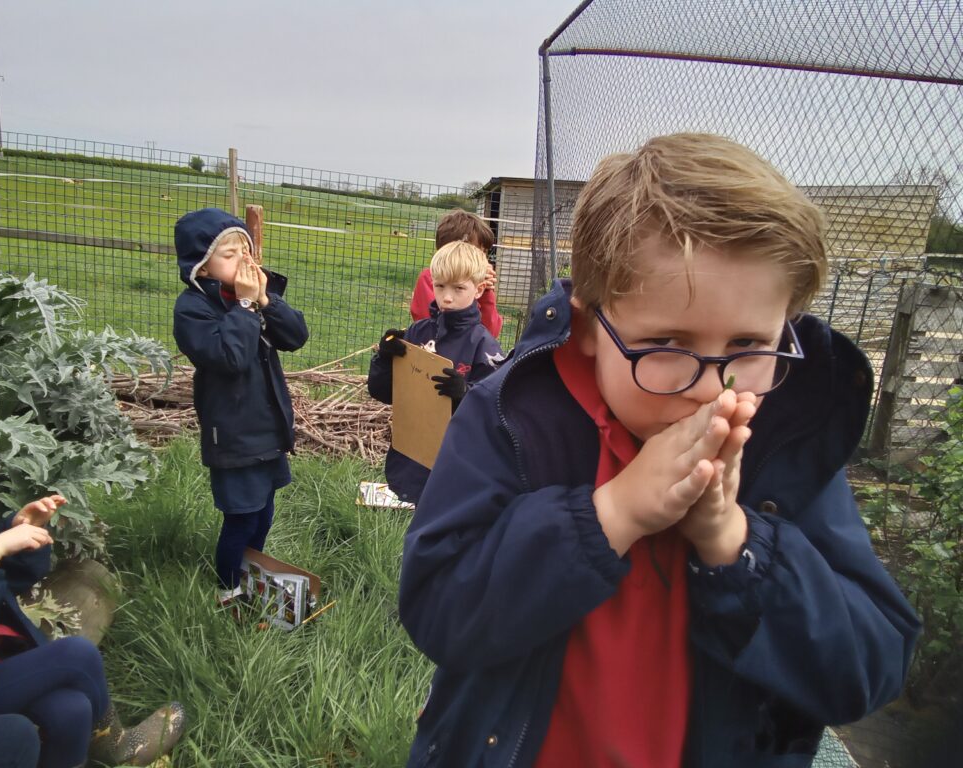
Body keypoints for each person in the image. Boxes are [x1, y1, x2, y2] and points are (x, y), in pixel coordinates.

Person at [398, 134, 921, 767]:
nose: (710, 387)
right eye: (667, 342)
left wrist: (735, 540)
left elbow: (869, 667)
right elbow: (438, 608)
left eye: (751, 345)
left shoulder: (783, 443)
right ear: (591, 328)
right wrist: (609, 515)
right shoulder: (513, 416)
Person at [0, 435, 185, 768]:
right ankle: (117, 746)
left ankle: (97, 753)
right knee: (75, 655)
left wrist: (18, 536)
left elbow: (1, 585)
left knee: (71, 709)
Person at [173, 208, 309, 609]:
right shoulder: (193, 309)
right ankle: (229, 591)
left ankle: (253, 578)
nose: (244, 261)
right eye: (229, 254)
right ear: (203, 266)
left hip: (267, 428)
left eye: (245, 251)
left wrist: (266, 301)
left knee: (263, 515)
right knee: (241, 518)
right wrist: (247, 309)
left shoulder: (250, 300)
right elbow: (230, 358)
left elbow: (297, 336)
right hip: (232, 434)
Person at [369, 240, 505, 504]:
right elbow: (382, 392)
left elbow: (495, 412)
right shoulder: (418, 332)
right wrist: (384, 359)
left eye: (458, 288)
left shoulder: (483, 345)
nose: (447, 297)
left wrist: (465, 394)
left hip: (460, 464)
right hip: (415, 456)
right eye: (440, 286)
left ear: (478, 290)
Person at [409, 209, 503, 338]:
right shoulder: (430, 278)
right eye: (475, 252)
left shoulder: (476, 284)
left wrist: (486, 293)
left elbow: (491, 333)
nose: (482, 259)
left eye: (484, 253)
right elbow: (432, 327)